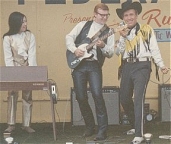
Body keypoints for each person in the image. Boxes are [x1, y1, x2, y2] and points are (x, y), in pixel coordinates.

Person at [115, 1, 169, 144]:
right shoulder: (121, 30)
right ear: (123, 17)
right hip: (127, 66)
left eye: (131, 14)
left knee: (138, 98)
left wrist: (161, 65)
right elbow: (117, 52)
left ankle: (139, 133)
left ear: (137, 15)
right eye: (126, 15)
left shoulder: (146, 29)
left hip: (142, 65)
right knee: (124, 98)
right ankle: (136, 125)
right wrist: (122, 37)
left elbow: (154, 49)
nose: (129, 17)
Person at [65, 3, 114, 141]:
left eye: (106, 15)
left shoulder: (108, 31)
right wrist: (75, 50)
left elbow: (110, 53)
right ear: (95, 14)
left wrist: (103, 46)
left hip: (94, 66)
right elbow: (68, 37)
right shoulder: (83, 25)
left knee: (98, 95)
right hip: (79, 65)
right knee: (80, 97)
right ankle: (90, 126)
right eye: (101, 15)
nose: (104, 17)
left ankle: (102, 130)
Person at [3, 11, 37, 133]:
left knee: (27, 95)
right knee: (12, 94)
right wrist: (13, 74)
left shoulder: (30, 36)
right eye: (23, 21)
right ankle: (11, 123)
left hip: (27, 68)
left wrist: (33, 73)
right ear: (15, 23)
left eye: (26, 21)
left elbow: (32, 55)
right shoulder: (7, 38)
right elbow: (8, 58)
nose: (25, 24)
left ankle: (26, 124)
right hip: (13, 69)